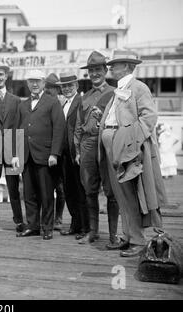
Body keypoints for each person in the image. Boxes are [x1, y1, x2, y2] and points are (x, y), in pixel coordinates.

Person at [99, 50, 166, 257]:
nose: (110, 68)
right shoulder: (120, 90)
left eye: (115, 64)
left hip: (127, 150)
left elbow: (149, 117)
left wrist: (130, 142)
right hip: (112, 148)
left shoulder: (138, 87)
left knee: (132, 194)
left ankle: (137, 240)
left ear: (127, 66)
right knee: (121, 195)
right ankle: (128, 236)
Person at [11, 70, 65, 240]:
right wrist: (15, 154)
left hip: (45, 155)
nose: (34, 84)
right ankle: (33, 225)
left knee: (47, 193)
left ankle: (47, 227)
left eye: (38, 81)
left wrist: (54, 153)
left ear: (43, 83)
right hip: (27, 156)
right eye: (31, 81)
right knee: (29, 193)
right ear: (27, 84)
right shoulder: (22, 105)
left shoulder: (52, 102)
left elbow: (59, 129)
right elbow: (17, 131)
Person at [75, 51, 120, 248]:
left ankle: (113, 235)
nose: (94, 73)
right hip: (87, 146)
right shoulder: (84, 97)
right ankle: (93, 232)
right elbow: (78, 125)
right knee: (89, 190)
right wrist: (77, 150)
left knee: (111, 191)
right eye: (91, 70)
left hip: (107, 143)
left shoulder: (115, 93)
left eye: (98, 69)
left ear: (105, 70)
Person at [0, 61, 24, 235]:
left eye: (1, 74)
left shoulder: (16, 100)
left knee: (13, 187)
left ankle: (19, 221)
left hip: (11, 150)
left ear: (6, 77)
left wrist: (16, 152)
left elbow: (18, 127)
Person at [57, 72, 89, 240]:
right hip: (64, 155)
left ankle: (85, 226)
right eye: (64, 86)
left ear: (76, 86)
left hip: (76, 153)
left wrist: (79, 151)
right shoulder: (64, 104)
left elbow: (83, 127)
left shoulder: (81, 102)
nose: (67, 88)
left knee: (80, 191)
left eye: (70, 85)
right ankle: (75, 224)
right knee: (69, 191)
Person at [44, 73, 66, 231]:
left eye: (52, 87)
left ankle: (58, 217)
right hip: (44, 149)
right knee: (45, 187)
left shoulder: (64, 102)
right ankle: (47, 217)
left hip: (60, 151)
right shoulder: (42, 101)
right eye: (47, 87)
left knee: (60, 187)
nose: (48, 90)